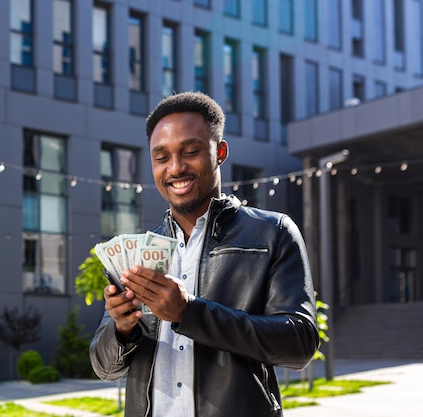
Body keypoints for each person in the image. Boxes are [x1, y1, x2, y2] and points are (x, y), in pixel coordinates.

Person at [89, 91, 319, 417]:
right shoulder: (137, 254)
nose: (176, 168)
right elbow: (103, 367)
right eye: (161, 157)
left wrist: (190, 313)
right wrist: (120, 330)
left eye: (191, 151)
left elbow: (300, 345)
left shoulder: (273, 233)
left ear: (220, 152)